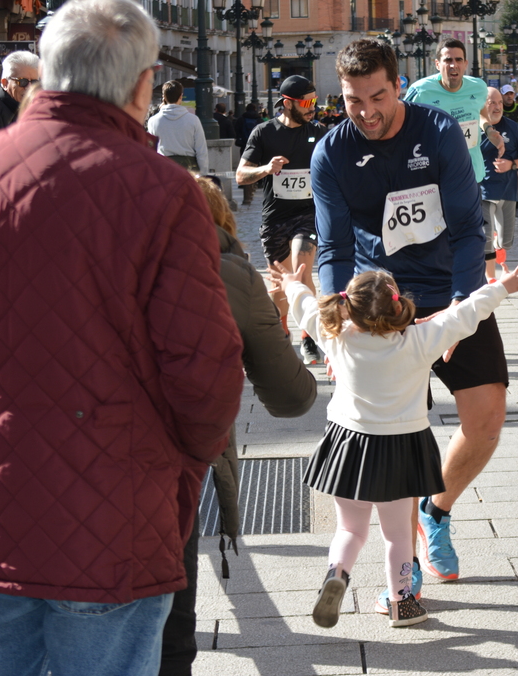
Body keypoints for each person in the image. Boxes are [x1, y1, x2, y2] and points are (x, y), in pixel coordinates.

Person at [0, 0, 244, 676]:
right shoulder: (165, 193)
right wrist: (180, 464)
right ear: (140, 82)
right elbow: (207, 372)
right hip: (117, 514)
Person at [312, 39, 503, 601]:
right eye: (352, 100)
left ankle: (436, 509)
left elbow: (469, 226)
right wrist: (333, 325)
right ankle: (408, 570)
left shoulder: (439, 132)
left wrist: (464, 310)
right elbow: (333, 248)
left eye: (377, 96)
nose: (366, 111)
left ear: (399, 85)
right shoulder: (331, 152)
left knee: (487, 420)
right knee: (398, 436)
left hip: (451, 284)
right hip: (381, 303)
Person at [278, 259, 518, 628]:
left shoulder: (335, 336)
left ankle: (337, 573)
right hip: (400, 448)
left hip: (347, 446)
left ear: (348, 306)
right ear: (398, 304)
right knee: (397, 534)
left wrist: (290, 281)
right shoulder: (419, 340)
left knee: (350, 530)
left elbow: (303, 307)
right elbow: (466, 314)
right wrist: (503, 286)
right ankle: (402, 602)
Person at [158, 176, 316, 676]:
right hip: (176, 454)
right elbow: (292, 397)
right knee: (169, 620)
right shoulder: (234, 275)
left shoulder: (108, 257)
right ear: (223, 222)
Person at [236, 75, 329, 365]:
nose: (313, 107)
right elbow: (241, 175)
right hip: (275, 218)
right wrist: (266, 168)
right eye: (307, 102)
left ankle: (309, 337)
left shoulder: (319, 131)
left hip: (307, 215)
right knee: (279, 286)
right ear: (288, 103)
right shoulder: (263, 133)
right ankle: (283, 333)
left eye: (315, 100)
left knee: (302, 273)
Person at [405, 39, 492, 183]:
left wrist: (489, 129)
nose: (454, 65)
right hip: (436, 177)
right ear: (437, 64)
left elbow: (480, 111)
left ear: (465, 64)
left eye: (459, 60)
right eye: (448, 60)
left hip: (472, 174)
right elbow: (404, 128)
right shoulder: (420, 91)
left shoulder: (479, 87)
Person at [479, 87, 518, 280]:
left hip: (507, 192)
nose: (497, 107)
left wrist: (512, 164)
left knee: (505, 241)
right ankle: (490, 279)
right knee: (485, 238)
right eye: (492, 103)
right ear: (483, 105)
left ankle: (499, 245)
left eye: (499, 103)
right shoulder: (473, 129)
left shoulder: (512, 128)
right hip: (482, 192)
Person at [148, 80, 209, 173]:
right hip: (190, 169)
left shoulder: (153, 121)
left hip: (164, 168)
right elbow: (201, 150)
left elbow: (151, 150)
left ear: (163, 97)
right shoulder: (193, 120)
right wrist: (204, 172)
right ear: (181, 96)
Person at [234, 102, 264, 205]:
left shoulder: (241, 119)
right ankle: (258, 182)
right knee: (258, 162)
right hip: (257, 144)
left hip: (244, 144)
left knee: (245, 162)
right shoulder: (258, 119)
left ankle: (245, 183)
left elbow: (237, 129)